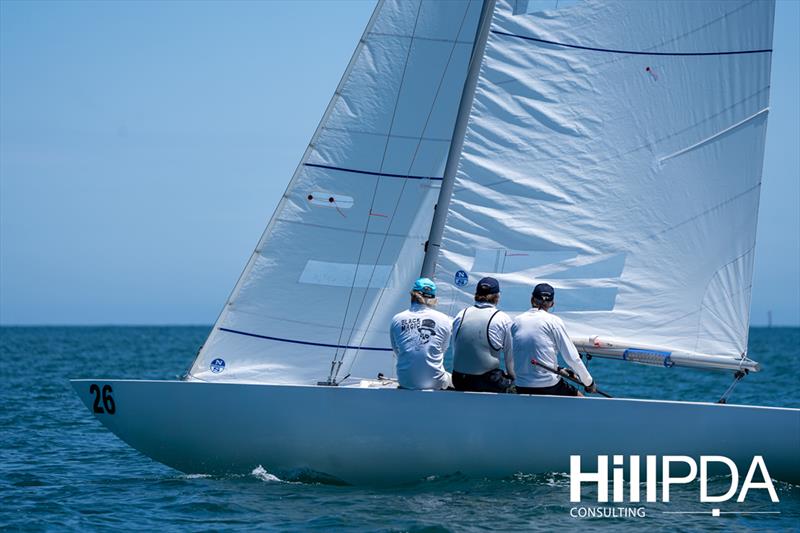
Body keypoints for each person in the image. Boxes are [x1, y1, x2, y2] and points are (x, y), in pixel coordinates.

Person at [512, 283, 597, 396]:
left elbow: (525, 353)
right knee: (581, 399)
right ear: (552, 304)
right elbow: (572, 358)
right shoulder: (553, 321)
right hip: (548, 385)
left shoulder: (516, 321)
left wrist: (558, 369)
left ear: (532, 299)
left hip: (521, 385)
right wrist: (589, 383)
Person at [451, 277, 515, 393]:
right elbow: (509, 358)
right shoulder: (502, 318)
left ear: (476, 294)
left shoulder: (461, 314)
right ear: (497, 296)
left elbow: (456, 349)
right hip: (486, 382)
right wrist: (512, 377)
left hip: (459, 379)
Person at [390, 278, 453, 390]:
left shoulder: (397, 319)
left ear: (412, 295)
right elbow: (442, 350)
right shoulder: (445, 320)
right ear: (433, 299)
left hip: (405, 381)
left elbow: (397, 351)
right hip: (435, 382)